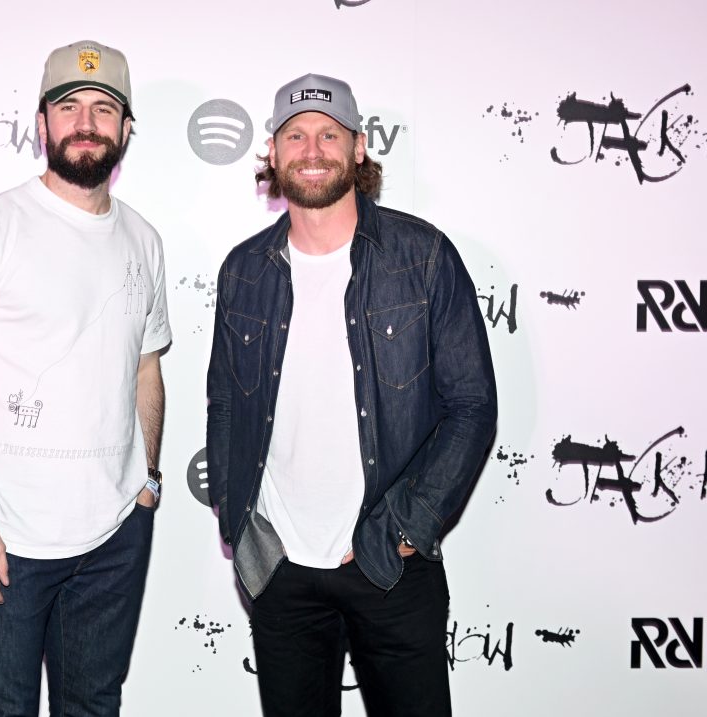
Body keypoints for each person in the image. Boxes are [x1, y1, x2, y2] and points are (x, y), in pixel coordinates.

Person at [205, 73, 496, 717]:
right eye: (296, 135)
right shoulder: (243, 271)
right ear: (274, 155)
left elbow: (472, 406)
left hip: (388, 562)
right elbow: (225, 401)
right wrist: (237, 513)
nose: (313, 149)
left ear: (359, 148)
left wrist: (409, 527)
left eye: (330, 134)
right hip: (281, 566)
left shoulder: (423, 258)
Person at [0, 39, 171, 717]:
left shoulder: (144, 240)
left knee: (93, 706)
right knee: (1, 708)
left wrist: (147, 481)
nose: (86, 120)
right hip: (9, 539)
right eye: (69, 106)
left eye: (103, 107)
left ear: (125, 130)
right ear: (41, 123)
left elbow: (146, 366)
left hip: (116, 534)